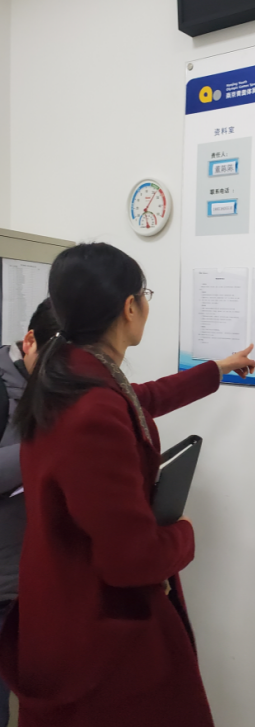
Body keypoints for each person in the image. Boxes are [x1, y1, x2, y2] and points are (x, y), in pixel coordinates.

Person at [0, 242, 255, 727]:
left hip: (58, 608)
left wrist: (216, 370)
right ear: (130, 306)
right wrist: (184, 533)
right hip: (97, 633)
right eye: (146, 295)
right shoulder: (91, 408)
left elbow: (141, 398)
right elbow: (131, 559)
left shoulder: (66, 376)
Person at [0, 299, 59, 727]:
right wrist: (48, 450)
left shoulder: (56, 390)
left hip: (31, 581)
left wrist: (215, 369)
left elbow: (141, 396)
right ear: (29, 341)